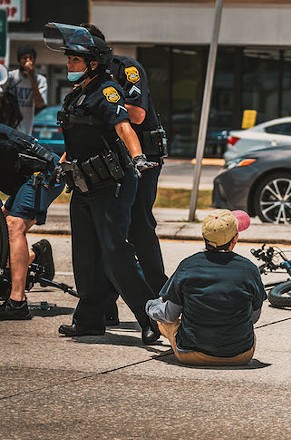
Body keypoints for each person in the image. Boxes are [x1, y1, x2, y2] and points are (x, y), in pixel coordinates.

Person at [43, 23, 160, 343]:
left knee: (115, 252)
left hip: (112, 185)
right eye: (67, 59)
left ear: (92, 62)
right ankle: (90, 318)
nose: (68, 64)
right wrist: (59, 166)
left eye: (74, 60)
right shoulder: (76, 96)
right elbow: (79, 141)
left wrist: (137, 157)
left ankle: (150, 317)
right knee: (85, 255)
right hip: (83, 187)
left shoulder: (107, 90)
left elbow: (124, 127)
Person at [81, 24, 169, 327]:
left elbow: (137, 114)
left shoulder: (125, 68)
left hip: (143, 156)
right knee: (109, 234)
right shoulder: (87, 80)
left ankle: (162, 297)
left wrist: (105, 107)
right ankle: (106, 305)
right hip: (111, 163)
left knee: (139, 226)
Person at [146, 209, 266, 366]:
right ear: (234, 239)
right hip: (240, 355)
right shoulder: (250, 269)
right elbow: (253, 317)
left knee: (166, 322)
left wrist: (150, 307)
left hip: (191, 354)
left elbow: (170, 314)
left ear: (204, 237)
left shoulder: (188, 266)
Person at [0, 125, 63, 320]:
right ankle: (36, 255)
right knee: (4, 226)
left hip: (44, 172)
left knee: (13, 225)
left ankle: (18, 302)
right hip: (23, 177)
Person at [6, 45, 48, 135]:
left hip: (27, 131)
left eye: (30, 58)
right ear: (19, 60)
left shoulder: (40, 80)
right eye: (24, 58)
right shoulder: (11, 77)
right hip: (10, 129)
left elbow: (40, 104)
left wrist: (32, 77)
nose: (28, 61)